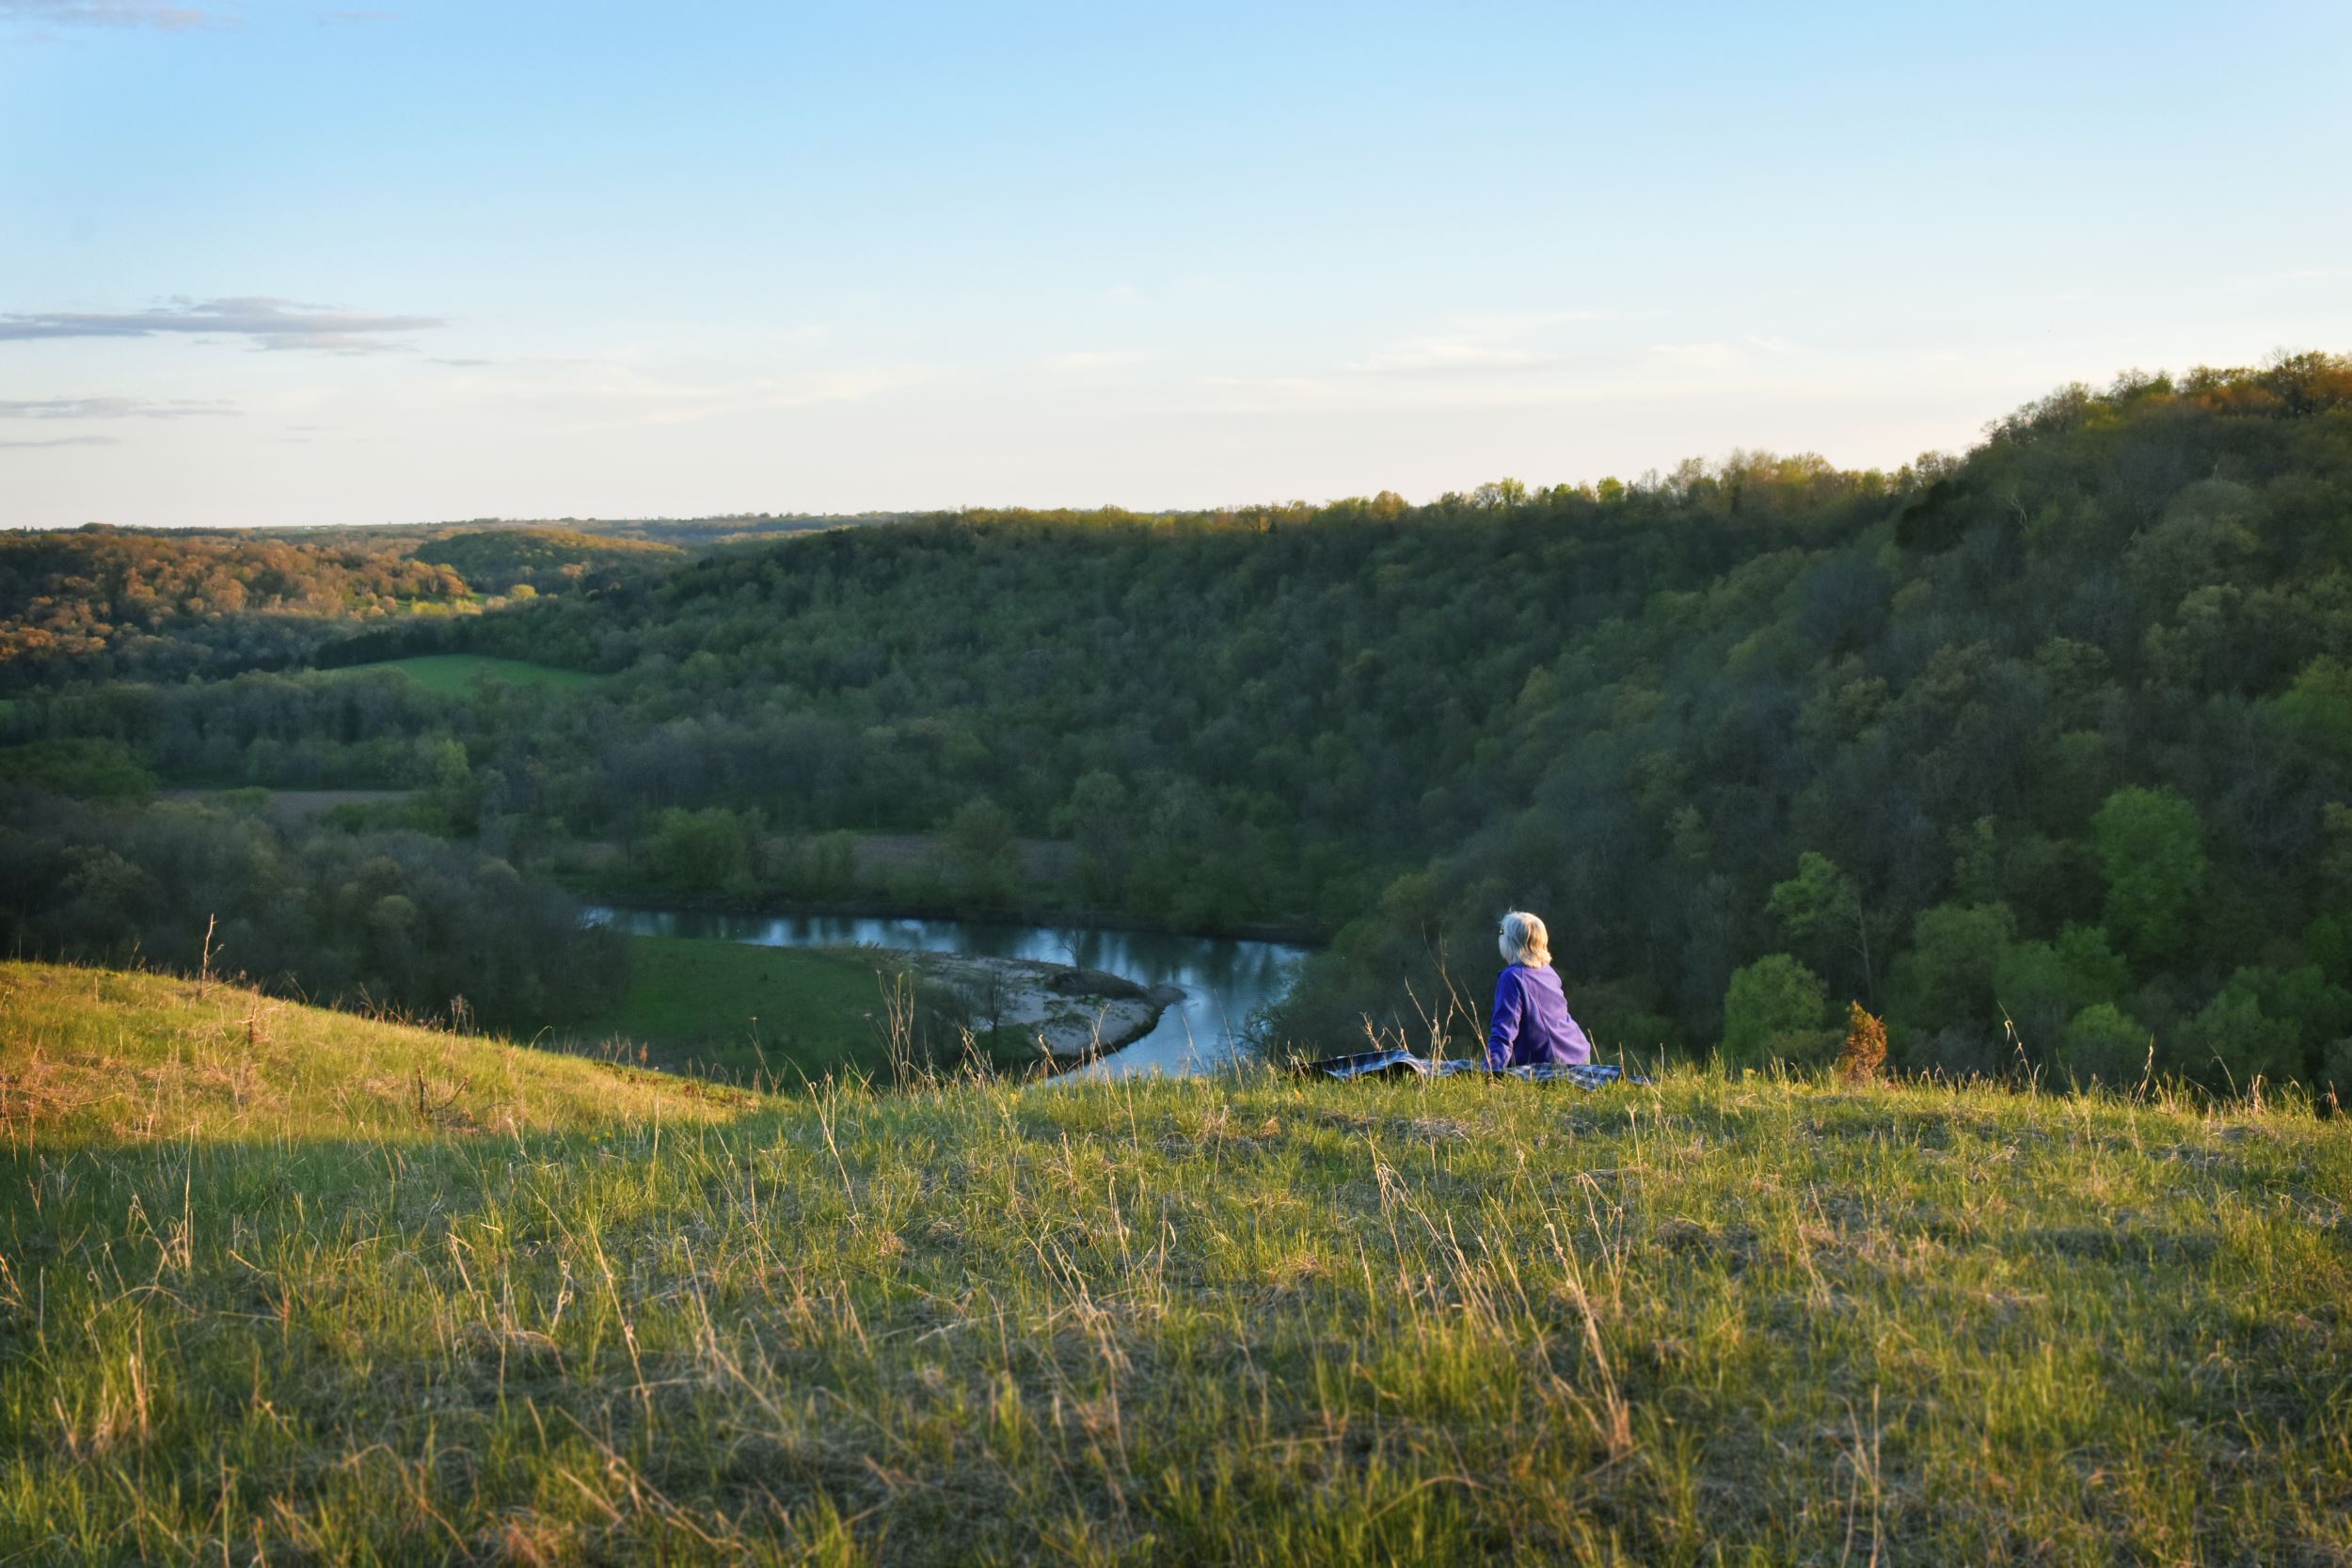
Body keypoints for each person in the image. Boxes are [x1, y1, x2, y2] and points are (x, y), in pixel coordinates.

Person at [1486, 911, 1594, 1070]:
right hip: (1579, 1054)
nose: (1499, 936)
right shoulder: (1548, 972)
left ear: (1511, 941)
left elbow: (1504, 1032)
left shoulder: (1512, 977)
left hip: (1550, 1063)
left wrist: (1490, 1072)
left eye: (1502, 932)